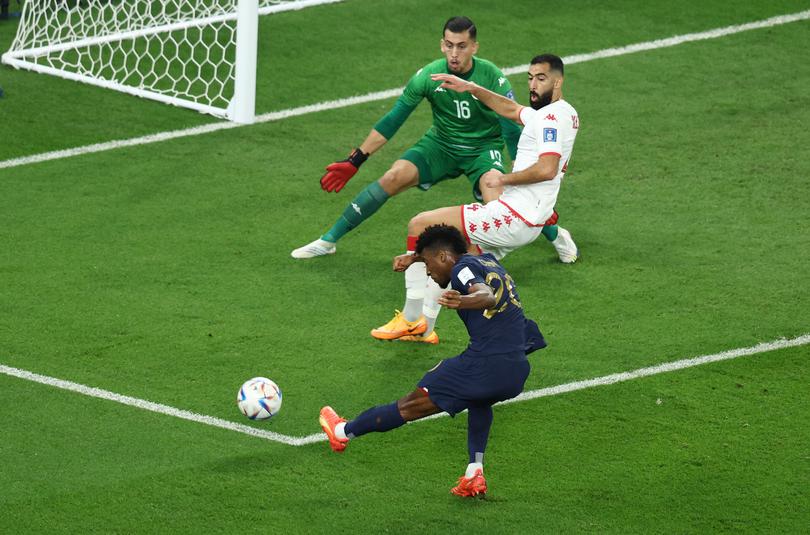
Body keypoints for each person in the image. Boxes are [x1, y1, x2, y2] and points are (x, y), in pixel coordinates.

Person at [319, 224, 546, 497]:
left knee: (408, 405)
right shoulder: (487, 260)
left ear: (442, 257)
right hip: (515, 369)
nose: (428, 273)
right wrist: (415, 257)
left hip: (486, 363)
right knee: (479, 399)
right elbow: (453, 254)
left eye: (427, 264)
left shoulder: (462, 270)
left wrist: (464, 301)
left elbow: (484, 295)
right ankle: (475, 471)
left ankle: (342, 432)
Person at [371, 54, 579, 344]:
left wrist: (503, 179)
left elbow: (547, 168)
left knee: (419, 225)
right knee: (458, 258)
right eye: (530, 78)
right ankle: (425, 329)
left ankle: (408, 318)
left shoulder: (551, 119)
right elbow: (511, 109)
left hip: (514, 215)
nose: (532, 84)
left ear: (558, 81)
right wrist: (471, 88)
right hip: (528, 221)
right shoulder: (560, 112)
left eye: (540, 78)